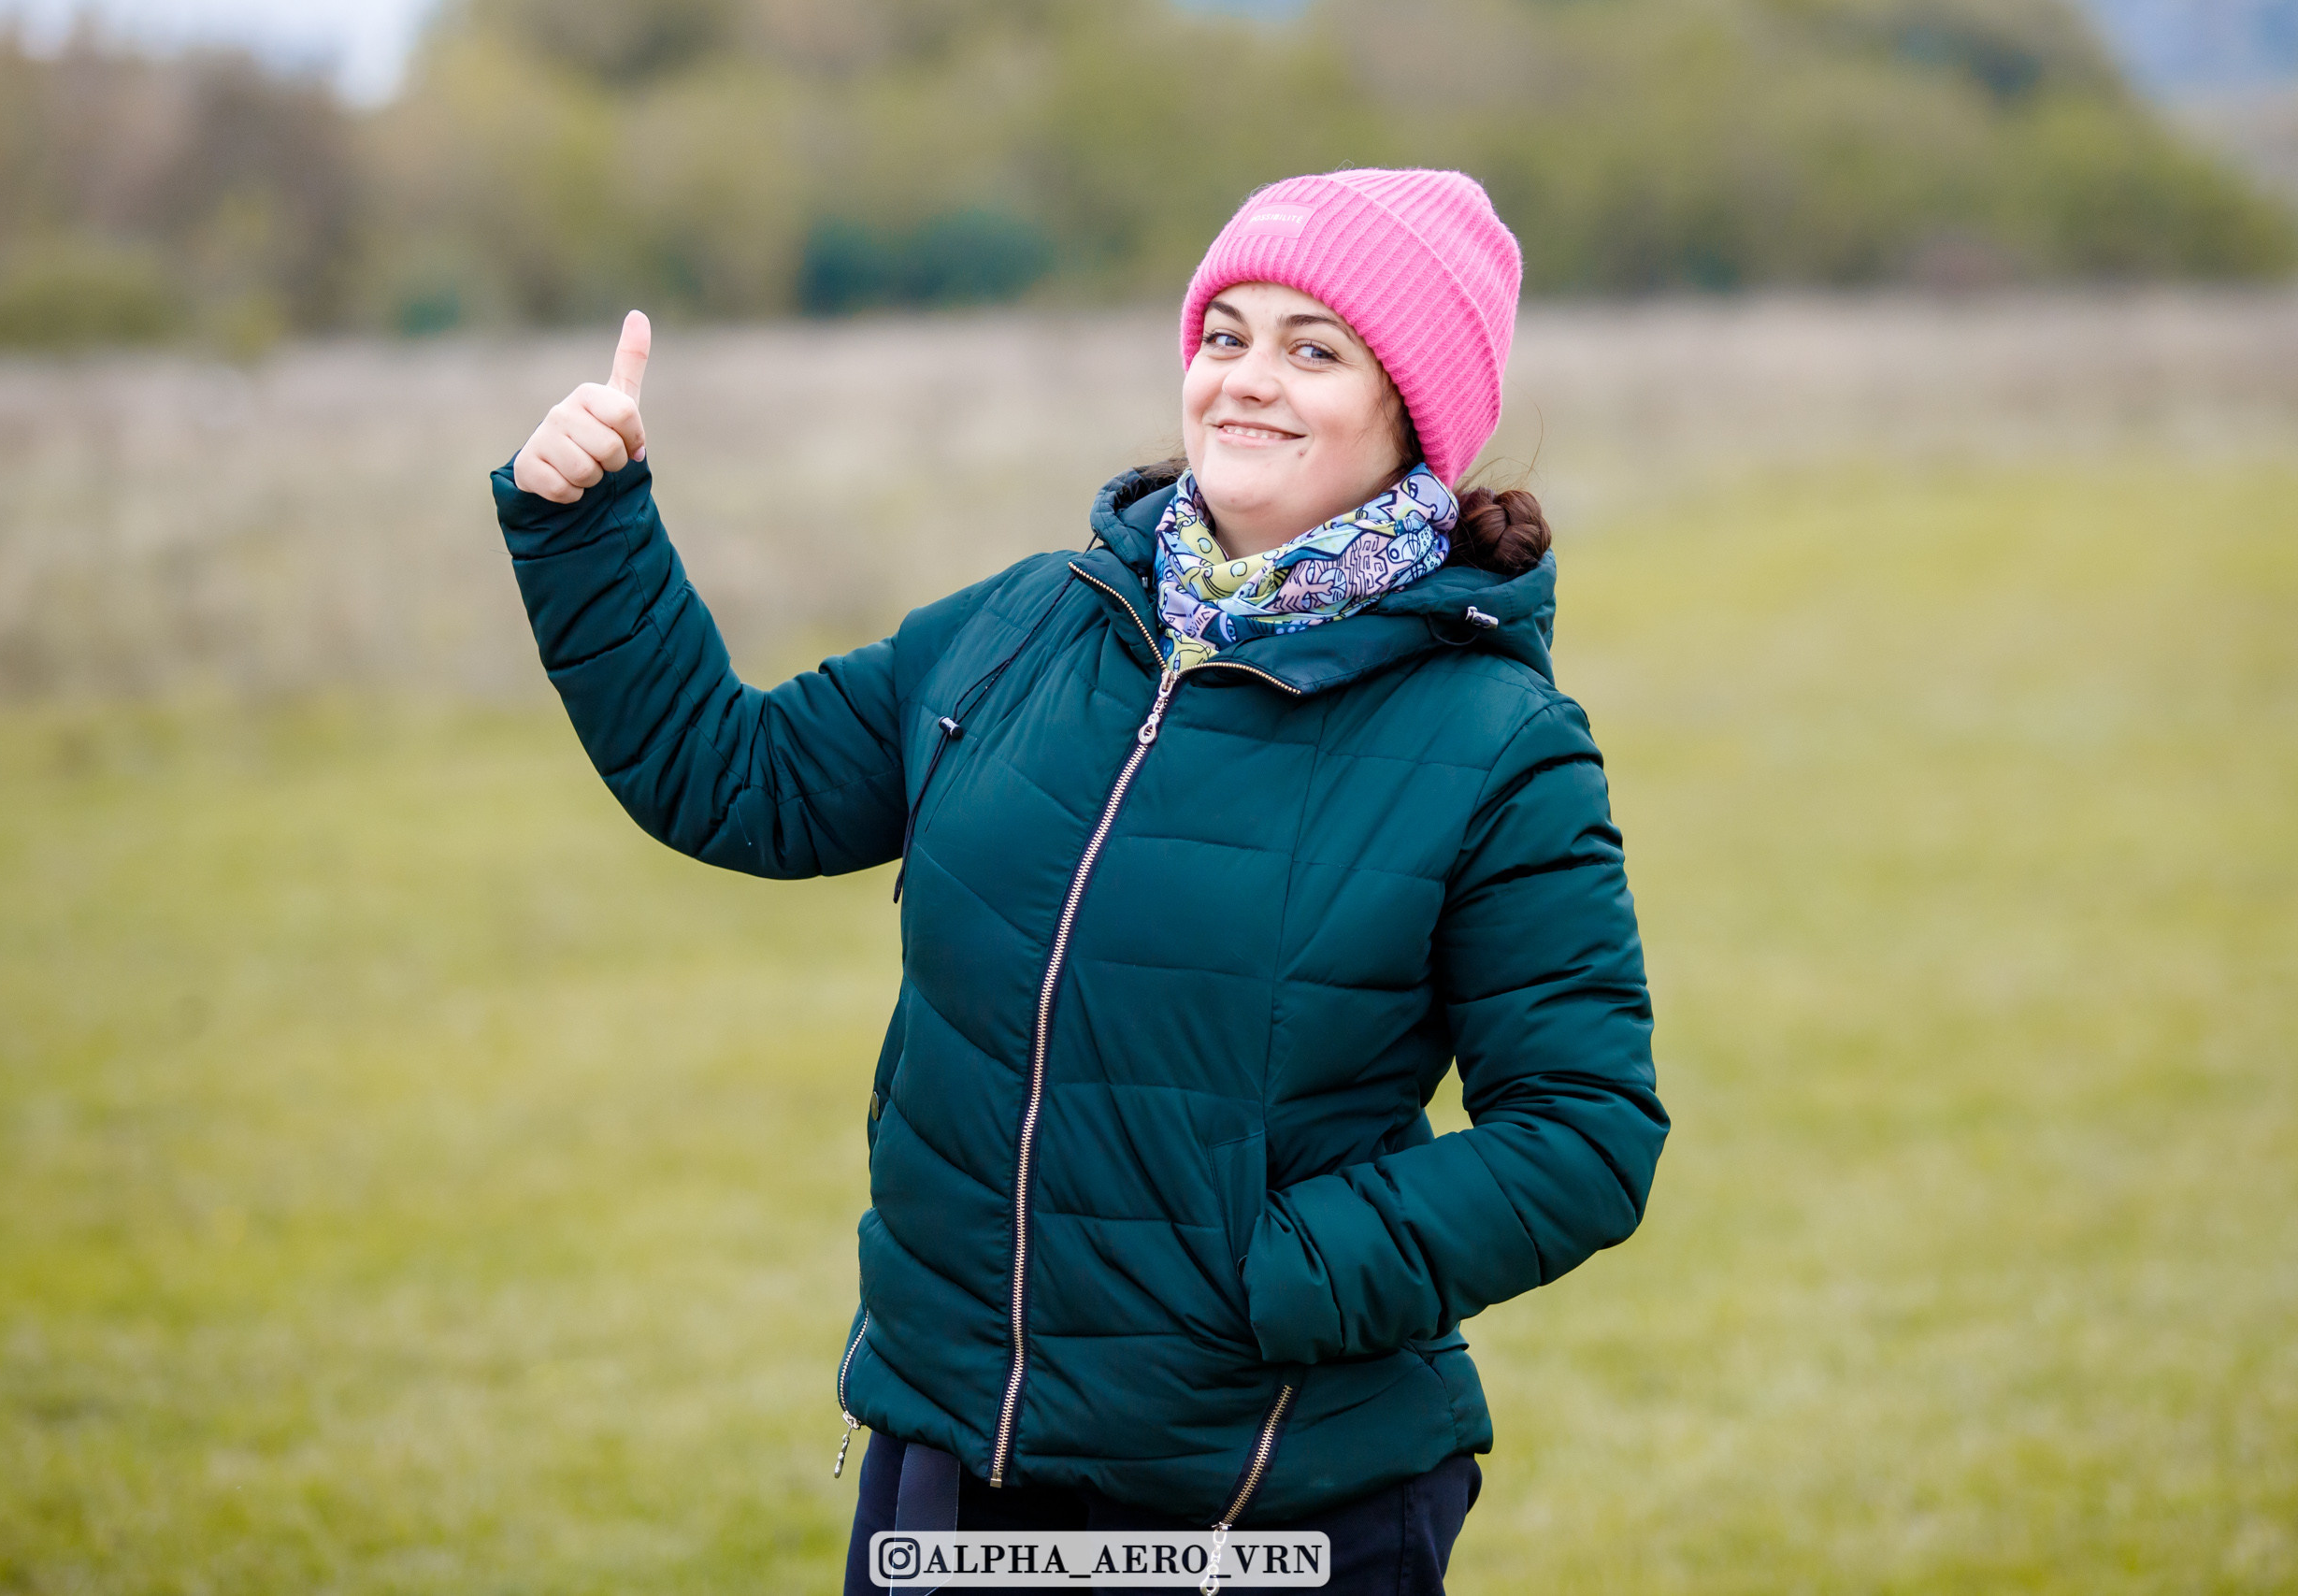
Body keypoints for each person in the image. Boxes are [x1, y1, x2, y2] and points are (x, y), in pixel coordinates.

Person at [494, 169, 1667, 1595]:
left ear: (1412, 410)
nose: (1245, 379)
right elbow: (733, 776)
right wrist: (590, 524)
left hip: (1263, 1498)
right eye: (1223, 334)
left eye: (1314, 348)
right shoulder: (1028, 626)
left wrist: (1271, 1277)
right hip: (948, 1460)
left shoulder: (1493, 743)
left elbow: (1585, 1131)